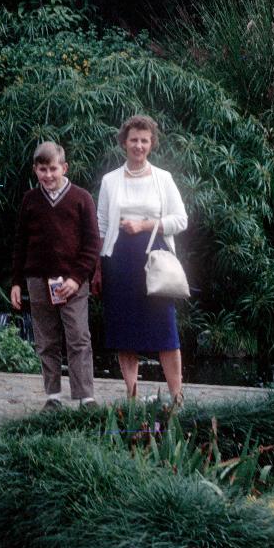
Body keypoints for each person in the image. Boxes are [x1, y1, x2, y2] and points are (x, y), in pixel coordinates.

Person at [96, 114, 188, 407]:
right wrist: (97, 269)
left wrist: (146, 225)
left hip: (156, 261)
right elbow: (100, 226)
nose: (138, 145)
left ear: (152, 144)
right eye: (133, 139)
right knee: (125, 333)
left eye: (144, 140)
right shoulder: (109, 180)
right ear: (124, 142)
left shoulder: (164, 179)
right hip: (119, 263)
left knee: (166, 331)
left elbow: (181, 220)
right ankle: (132, 398)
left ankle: (177, 397)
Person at [10, 141, 102, 409]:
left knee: (78, 338)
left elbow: (92, 243)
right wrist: (16, 282)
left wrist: (76, 278)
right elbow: (20, 243)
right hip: (38, 280)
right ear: (35, 170)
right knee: (46, 340)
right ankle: (53, 397)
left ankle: (86, 397)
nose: (48, 175)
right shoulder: (30, 200)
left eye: (53, 169)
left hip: (72, 282)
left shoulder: (81, 198)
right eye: (42, 170)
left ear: (64, 167)